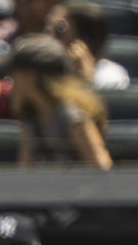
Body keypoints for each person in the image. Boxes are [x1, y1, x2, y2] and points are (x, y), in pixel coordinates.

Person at [7, 33, 111, 169]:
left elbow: (101, 167)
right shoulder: (31, 117)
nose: (11, 79)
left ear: (30, 76)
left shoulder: (71, 116)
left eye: (15, 72)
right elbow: (24, 172)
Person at [60, 0, 132, 91]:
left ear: (82, 43)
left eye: (60, 30)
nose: (49, 35)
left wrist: (87, 76)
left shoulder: (111, 76)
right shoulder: (44, 68)